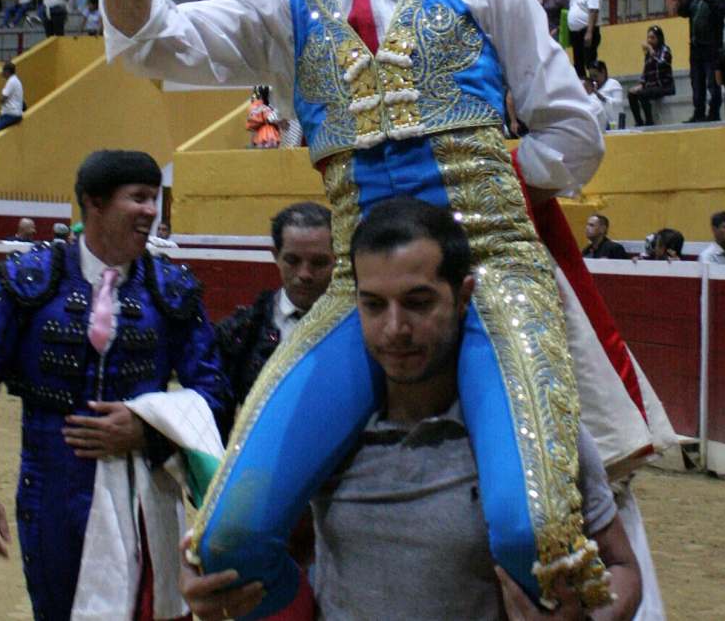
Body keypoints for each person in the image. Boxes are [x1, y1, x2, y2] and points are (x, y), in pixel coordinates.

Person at [88, 0, 610, 610]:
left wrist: (490, 179)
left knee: (536, 529)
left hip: (491, 270)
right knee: (228, 539)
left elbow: (574, 131)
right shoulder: (282, 8)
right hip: (358, 292)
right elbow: (145, 37)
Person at [181, 198, 644, 621]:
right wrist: (213, 576)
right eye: (373, 305)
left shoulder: (530, 428)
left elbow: (622, 566)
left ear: (463, 297)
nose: (394, 328)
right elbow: (278, 544)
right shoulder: (323, 432)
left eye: (418, 303)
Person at [0, 149, 230, 620]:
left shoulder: (172, 288)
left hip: (147, 490)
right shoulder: (29, 279)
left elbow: (215, 393)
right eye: (138, 198)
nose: (150, 211)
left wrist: (148, 430)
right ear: (94, 203)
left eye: (154, 198)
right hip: (53, 489)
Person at [216, 202, 333, 412]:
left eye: (319, 263)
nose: (305, 274)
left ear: (337, 260)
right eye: (292, 261)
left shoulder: (358, 326)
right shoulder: (241, 331)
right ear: (276, 256)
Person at [678, 0, 725, 122]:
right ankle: (698, 112)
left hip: (712, 47)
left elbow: (723, 10)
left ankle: (714, 112)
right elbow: (681, 11)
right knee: (696, 82)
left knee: (713, 83)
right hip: (696, 48)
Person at [568, 0, 602, 77]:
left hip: (586, 31)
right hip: (576, 34)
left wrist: (589, 32)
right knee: (578, 64)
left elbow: (593, 11)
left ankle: (594, 83)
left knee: (590, 62)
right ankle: (582, 84)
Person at [0, 61, 25, 134]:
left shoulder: (11, 82)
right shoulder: (16, 81)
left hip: (11, 114)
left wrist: (0, 98)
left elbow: (2, 99)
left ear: (7, 71)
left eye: (3, 70)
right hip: (12, 113)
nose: (2, 73)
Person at [587, 60, 624, 128]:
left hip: (613, 122)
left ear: (603, 72)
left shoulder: (613, 83)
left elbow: (618, 102)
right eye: (591, 76)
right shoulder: (592, 87)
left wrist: (601, 96)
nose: (593, 79)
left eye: (595, 76)